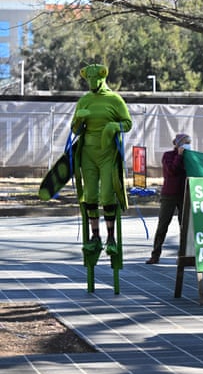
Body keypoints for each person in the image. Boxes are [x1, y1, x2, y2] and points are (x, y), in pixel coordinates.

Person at [71, 64, 132, 256]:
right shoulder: (84, 100)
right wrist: (79, 120)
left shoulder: (115, 99)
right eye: (89, 79)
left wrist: (114, 126)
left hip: (108, 154)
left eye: (95, 79)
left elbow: (128, 123)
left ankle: (111, 238)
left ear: (102, 78)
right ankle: (95, 236)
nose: (92, 83)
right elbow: (75, 130)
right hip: (88, 154)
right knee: (90, 195)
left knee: (107, 194)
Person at [146, 133, 191, 264]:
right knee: (163, 225)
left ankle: (183, 255)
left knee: (185, 226)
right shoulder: (168, 156)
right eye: (185, 143)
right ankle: (155, 254)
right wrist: (179, 156)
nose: (187, 145)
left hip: (184, 194)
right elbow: (171, 170)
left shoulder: (190, 157)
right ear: (177, 144)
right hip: (169, 195)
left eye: (188, 143)